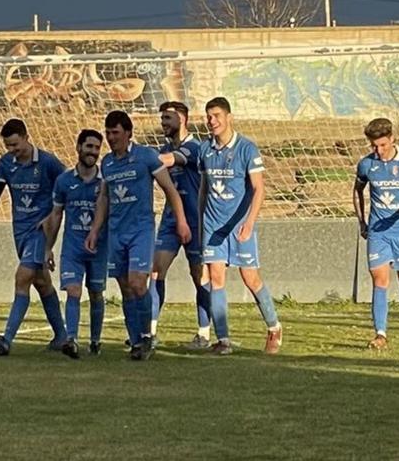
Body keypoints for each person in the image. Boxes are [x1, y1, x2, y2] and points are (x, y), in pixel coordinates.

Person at [85, 110, 191, 360]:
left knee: (137, 283)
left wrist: (182, 222)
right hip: (116, 233)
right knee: (124, 288)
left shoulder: (146, 156)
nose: (111, 138)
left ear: (128, 133)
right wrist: (95, 229)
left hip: (141, 231)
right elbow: (104, 198)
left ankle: (146, 335)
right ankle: (135, 342)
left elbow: (170, 190)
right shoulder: (107, 164)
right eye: (108, 133)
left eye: (116, 133)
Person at [198, 97, 282, 356]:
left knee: (250, 278)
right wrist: (200, 221)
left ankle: (274, 327)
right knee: (216, 279)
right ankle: (223, 340)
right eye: (208, 116)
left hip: (239, 227)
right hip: (213, 226)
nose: (212, 121)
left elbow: (258, 189)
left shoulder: (247, 149)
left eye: (216, 115)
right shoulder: (205, 150)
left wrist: (249, 222)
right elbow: (204, 190)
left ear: (229, 117)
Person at [0, 118, 67, 356]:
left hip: (40, 231)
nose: (12, 150)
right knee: (41, 282)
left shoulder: (48, 162)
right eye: (8, 146)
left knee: (22, 277)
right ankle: (62, 336)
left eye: (15, 144)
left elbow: (68, 186)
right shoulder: (6, 164)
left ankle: (7, 339)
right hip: (20, 231)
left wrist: (51, 217)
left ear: (27, 137)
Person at [353, 117, 399, 349]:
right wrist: (362, 221)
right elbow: (357, 192)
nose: (379, 150)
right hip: (377, 233)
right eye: (374, 146)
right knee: (380, 280)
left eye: (383, 145)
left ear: (392, 139)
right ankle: (381, 334)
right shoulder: (366, 165)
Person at [148, 101, 212, 349]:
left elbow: (171, 159)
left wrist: (145, 159)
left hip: (195, 221)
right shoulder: (163, 148)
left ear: (182, 119)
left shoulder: (194, 147)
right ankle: (150, 333)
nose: (163, 123)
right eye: (162, 118)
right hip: (170, 220)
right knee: (156, 270)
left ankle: (204, 334)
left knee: (199, 276)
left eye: (168, 118)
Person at [43, 129, 108, 358]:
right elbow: (56, 215)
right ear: (78, 148)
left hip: (100, 249)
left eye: (97, 148)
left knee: (96, 293)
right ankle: (71, 339)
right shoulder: (64, 181)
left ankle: (95, 340)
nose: (93, 152)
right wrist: (48, 247)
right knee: (73, 291)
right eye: (89, 147)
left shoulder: (105, 182)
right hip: (73, 249)